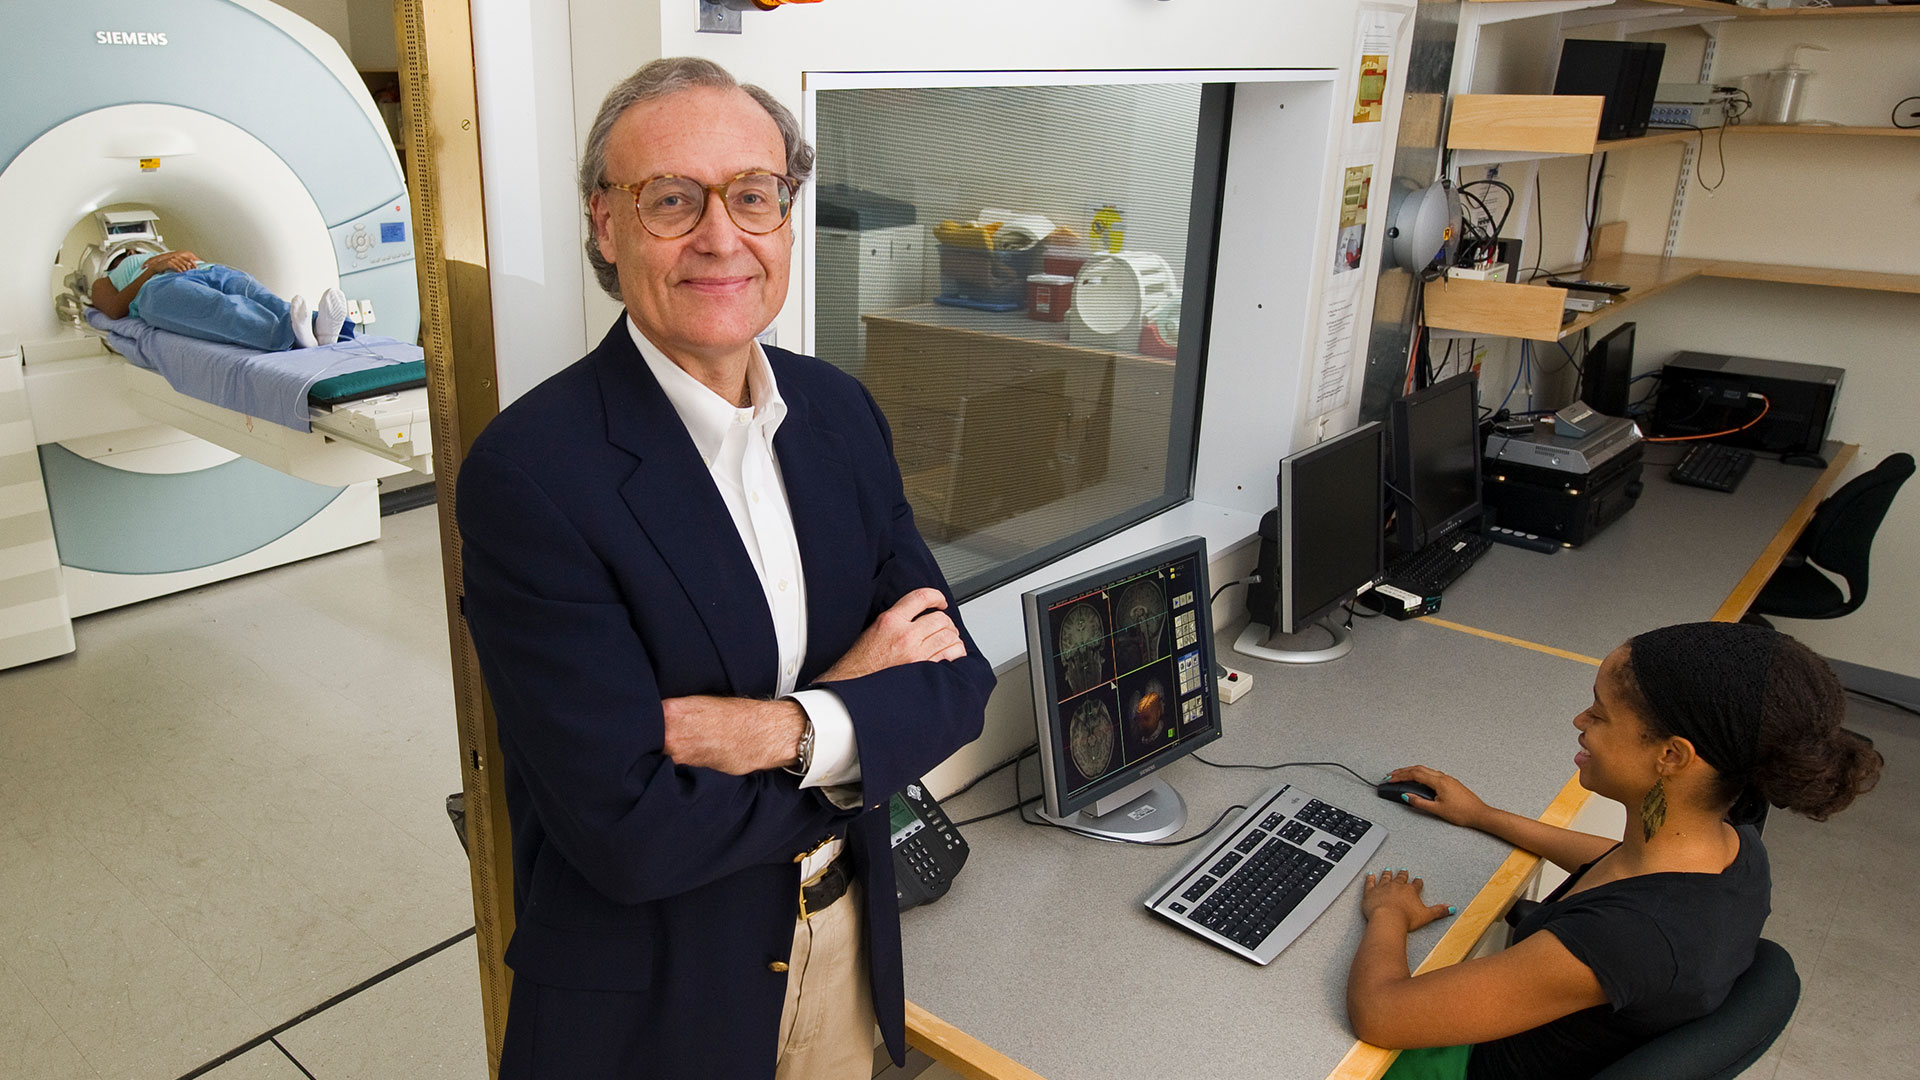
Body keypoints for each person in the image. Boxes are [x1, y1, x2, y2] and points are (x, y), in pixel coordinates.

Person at [455, 57, 995, 1080]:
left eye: (752, 195)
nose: (721, 236)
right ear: (604, 226)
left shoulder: (836, 413)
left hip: (847, 948)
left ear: (786, 215)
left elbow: (957, 683)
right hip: (662, 997)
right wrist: (855, 722)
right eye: (671, 200)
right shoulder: (532, 474)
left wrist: (779, 730)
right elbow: (632, 833)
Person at [1347, 621, 1881, 1080]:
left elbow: (1381, 1014)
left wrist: (1390, 915)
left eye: (1600, 715)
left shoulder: (1621, 941)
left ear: (1671, 755)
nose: (1580, 721)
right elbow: (1614, 865)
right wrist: (1482, 815)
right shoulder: (1733, 850)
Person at [90, 248, 349, 351]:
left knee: (259, 296)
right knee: (222, 309)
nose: (133, 251)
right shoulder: (105, 278)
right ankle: (287, 334)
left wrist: (177, 254)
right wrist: (153, 268)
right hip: (159, 286)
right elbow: (114, 309)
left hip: (210, 269)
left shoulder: (160, 252)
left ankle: (319, 329)